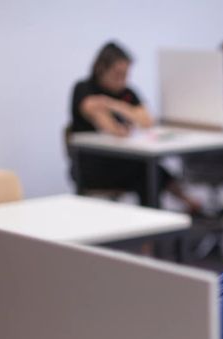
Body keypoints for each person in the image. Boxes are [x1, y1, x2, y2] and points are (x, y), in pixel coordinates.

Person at [69, 41, 202, 214]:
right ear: (101, 68)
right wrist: (127, 113)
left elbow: (147, 120)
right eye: (118, 74)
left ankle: (174, 216)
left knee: (151, 170)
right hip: (92, 166)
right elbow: (112, 128)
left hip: (122, 161)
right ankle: (156, 229)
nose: (123, 80)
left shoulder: (127, 92)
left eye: (126, 74)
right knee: (147, 173)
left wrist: (111, 104)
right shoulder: (84, 88)